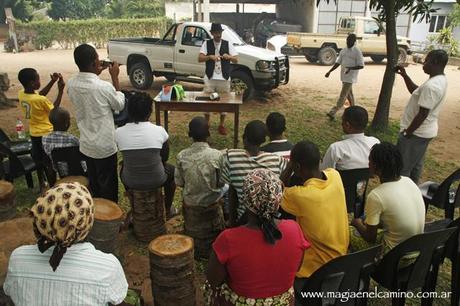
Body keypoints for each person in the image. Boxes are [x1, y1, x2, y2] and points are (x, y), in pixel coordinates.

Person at [3, 182, 128, 306]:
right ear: (86, 222)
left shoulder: (18, 259)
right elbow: (117, 299)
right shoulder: (108, 267)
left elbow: (10, 292)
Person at [206, 169, 310, 306]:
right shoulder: (294, 230)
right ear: (277, 198)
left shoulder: (228, 239)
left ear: (247, 201)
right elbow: (297, 268)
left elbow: (213, 280)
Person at [280, 141, 349, 292]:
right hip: (342, 260)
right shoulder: (335, 176)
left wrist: (289, 166)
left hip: (315, 272)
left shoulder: (300, 195)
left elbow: (278, 189)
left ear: (297, 167)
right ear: (319, 160)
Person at [67, 43, 125, 203]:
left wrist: (94, 73)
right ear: (94, 63)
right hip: (105, 147)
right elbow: (119, 105)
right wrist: (115, 77)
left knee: (95, 186)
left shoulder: (71, 84)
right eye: (98, 60)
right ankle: (111, 219)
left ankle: (98, 215)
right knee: (109, 188)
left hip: (86, 145)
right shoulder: (104, 87)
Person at [351, 142, 425, 254]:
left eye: (370, 160)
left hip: (394, 257)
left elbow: (370, 237)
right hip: (417, 250)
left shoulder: (376, 195)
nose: (368, 163)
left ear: (377, 167)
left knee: (349, 232)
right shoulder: (408, 181)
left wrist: (356, 222)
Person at [115, 92, 176, 217]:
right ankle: (168, 209)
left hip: (130, 180)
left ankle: (134, 206)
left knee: (122, 166)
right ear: (149, 112)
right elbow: (164, 157)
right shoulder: (159, 131)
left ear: (129, 111)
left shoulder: (118, 133)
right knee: (172, 171)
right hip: (157, 179)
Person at [395, 49, 448, 184]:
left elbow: (423, 113)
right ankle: (414, 190)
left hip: (416, 133)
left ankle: (404, 193)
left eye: (426, 61)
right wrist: (405, 75)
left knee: (403, 167)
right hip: (424, 132)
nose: (424, 64)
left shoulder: (432, 86)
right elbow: (416, 91)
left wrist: (408, 132)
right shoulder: (439, 80)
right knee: (416, 165)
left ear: (435, 62)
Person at [220, 120, 287, 225]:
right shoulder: (276, 160)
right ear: (264, 140)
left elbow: (227, 188)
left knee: (230, 189)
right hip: (269, 219)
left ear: (244, 138)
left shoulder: (230, 157)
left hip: (244, 219)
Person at [18, 68, 65, 188]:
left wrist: (52, 82)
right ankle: (53, 186)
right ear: (32, 83)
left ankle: (42, 184)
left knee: (39, 160)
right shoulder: (40, 100)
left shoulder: (21, 94)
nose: (40, 81)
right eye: (38, 79)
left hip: (34, 134)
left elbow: (39, 95)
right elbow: (54, 111)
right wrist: (60, 91)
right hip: (45, 134)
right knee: (49, 163)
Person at [175, 116, 227, 208]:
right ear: (208, 133)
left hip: (190, 202)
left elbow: (179, 183)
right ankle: (227, 216)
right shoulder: (217, 155)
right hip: (211, 201)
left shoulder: (181, 156)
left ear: (189, 134)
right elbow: (221, 183)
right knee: (228, 187)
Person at [198, 23, 238, 135]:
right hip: (210, 76)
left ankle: (221, 125)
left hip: (224, 77)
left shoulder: (227, 44)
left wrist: (228, 57)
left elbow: (236, 59)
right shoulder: (207, 43)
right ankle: (206, 124)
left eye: (219, 32)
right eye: (216, 33)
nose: (218, 35)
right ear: (212, 33)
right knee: (207, 100)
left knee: (224, 101)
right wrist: (209, 57)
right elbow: (200, 58)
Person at [321, 106, 380, 170]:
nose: (341, 124)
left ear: (347, 125)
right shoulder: (375, 143)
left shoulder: (336, 149)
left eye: (342, 120)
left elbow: (325, 172)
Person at [325, 34, 364, 120]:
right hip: (343, 76)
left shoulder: (357, 51)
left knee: (343, 95)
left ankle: (333, 112)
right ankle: (354, 112)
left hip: (350, 77)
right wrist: (329, 71)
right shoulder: (344, 50)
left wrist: (351, 68)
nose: (348, 42)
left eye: (350, 41)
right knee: (349, 94)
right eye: (347, 41)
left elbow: (361, 65)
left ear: (354, 42)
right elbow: (338, 63)